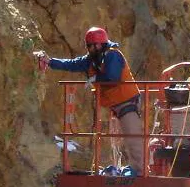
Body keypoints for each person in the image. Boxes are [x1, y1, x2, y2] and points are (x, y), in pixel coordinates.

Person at [36, 27, 142, 176]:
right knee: (126, 137)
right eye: (89, 46)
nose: (90, 49)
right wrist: (50, 62)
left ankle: (140, 170)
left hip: (127, 101)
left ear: (100, 44)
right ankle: (132, 169)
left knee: (133, 135)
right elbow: (73, 64)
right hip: (116, 103)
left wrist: (95, 79)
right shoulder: (93, 59)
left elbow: (112, 77)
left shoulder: (112, 55)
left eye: (92, 46)